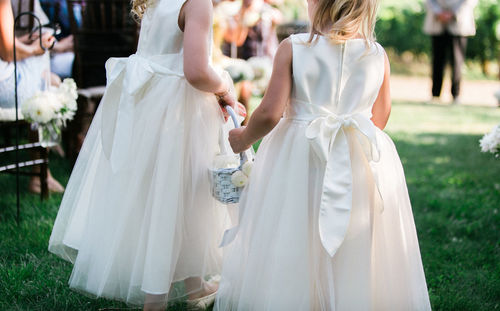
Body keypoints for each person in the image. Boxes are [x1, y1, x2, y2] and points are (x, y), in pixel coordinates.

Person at [215, 0, 432, 309]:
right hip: (358, 160)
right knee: (352, 240)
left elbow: (268, 113)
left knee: (295, 229)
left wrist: (242, 138)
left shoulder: (294, 47)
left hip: (299, 157)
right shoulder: (376, 54)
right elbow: (380, 117)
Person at [48, 0, 245, 309]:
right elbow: (195, 71)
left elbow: (160, 55)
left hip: (147, 103)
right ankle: (155, 299)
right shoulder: (197, 3)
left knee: (165, 194)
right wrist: (225, 90)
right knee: (178, 197)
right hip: (178, 113)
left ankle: (194, 285)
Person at [0, 0, 65, 193]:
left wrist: (29, 41)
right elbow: (8, 52)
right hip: (4, 90)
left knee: (48, 78)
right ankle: (42, 172)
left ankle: (45, 162)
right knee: (48, 79)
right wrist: (38, 48)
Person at [424, 0, 477, 104]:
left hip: (459, 23)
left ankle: (456, 94)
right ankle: (435, 94)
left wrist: (453, 13)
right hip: (437, 23)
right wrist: (438, 12)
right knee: (437, 61)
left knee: (457, 62)